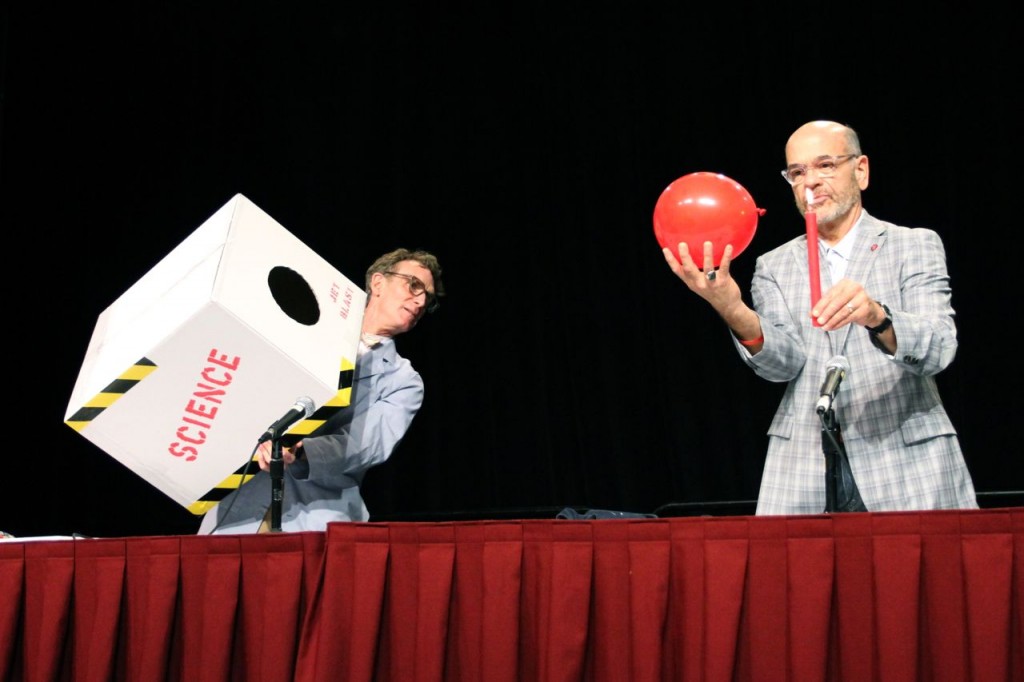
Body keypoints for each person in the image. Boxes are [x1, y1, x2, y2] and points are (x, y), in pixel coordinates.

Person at [662, 120, 978, 515]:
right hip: (805, 469)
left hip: (906, 464)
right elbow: (783, 365)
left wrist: (877, 317)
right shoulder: (774, 265)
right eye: (797, 172)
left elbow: (939, 348)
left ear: (860, 171)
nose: (810, 182)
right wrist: (731, 307)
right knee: (801, 578)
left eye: (826, 165)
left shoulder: (913, 245)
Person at [199, 248, 444, 534]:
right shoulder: (310, 326)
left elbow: (367, 443)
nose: (420, 300)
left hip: (316, 515)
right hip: (239, 506)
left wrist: (301, 451)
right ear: (378, 282)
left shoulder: (404, 380)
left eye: (428, 298)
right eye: (413, 285)